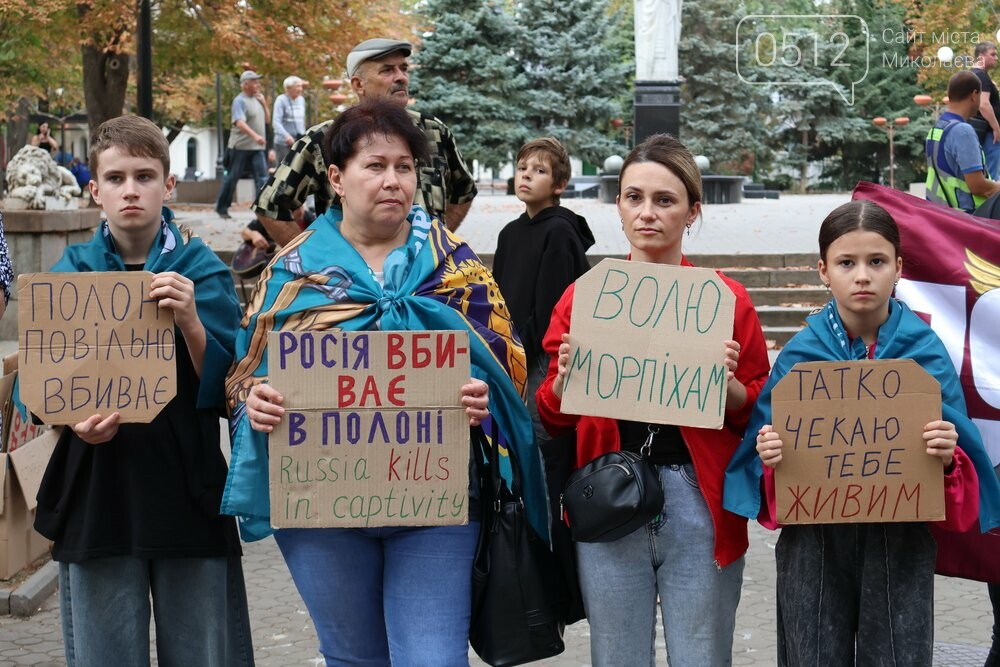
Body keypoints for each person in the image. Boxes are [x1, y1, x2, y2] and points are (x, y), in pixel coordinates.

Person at [221, 98, 547, 665]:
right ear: (336, 178)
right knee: (353, 658)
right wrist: (258, 402)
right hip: (320, 510)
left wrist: (482, 398)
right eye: (375, 166)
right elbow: (245, 375)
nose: (393, 180)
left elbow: (506, 363)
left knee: (433, 658)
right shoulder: (293, 270)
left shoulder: (456, 265)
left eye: (404, 167)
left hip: (437, 505)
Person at [724, 199, 1000, 665]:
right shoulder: (800, 355)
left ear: (898, 268)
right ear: (823, 271)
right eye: (846, 263)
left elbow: (961, 465)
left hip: (900, 542)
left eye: (877, 261)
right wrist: (770, 456)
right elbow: (758, 465)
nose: (862, 276)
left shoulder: (924, 351)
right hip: (814, 545)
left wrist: (947, 454)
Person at [535, 133, 771, 666]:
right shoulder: (585, 296)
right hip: (609, 494)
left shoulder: (726, 299)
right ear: (618, 205)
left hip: (699, 498)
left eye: (665, 200)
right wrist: (565, 381)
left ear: (692, 211)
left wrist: (730, 387)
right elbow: (551, 415)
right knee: (616, 656)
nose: (647, 213)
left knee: (702, 656)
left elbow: (758, 409)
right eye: (634, 197)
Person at [32, 115, 253, 667]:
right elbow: (37, 392)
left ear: (168, 186)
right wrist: (71, 419)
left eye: (144, 176)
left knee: (203, 651)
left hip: (188, 489)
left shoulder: (201, 269)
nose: (130, 189)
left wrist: (192, 322)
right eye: (115, 178)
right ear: (96, 190)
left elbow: (234, 388)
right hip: (98, 493)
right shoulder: (70, 273)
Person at [252, 38, 477, 246]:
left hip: (428, 274)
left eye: (403, 68)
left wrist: (437, 244)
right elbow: (270, 205)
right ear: (359, 85)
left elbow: (464, 191)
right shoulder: (324, 139)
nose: (401, 77)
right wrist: (314, 261)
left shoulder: (434, 132)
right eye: (387, 70)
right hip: (351, 275)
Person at [925, 70, 1000, 213]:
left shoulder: (937, 129)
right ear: (974, 95)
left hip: (940, 214)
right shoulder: (963, 131)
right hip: (967, 216)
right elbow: (978, 186)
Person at [216, 70, 270, 220]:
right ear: (245, 84)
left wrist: (264, 104)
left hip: (257, 148)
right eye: (254, 82)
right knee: (232, 178)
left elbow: (267, 120)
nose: (257, 84)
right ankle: (221, 208)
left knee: (262, 178)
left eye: (258, 81)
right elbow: (239, 122)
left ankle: (262, 211)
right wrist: (255, 136)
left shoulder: (258, 99)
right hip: (240, 147)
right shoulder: (239, 101)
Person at [972, 42, 1000, 180]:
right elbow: (983, 104)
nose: (996, 58)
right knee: (992, 174)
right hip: (989, 133)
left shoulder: (975, 74)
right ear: (981, 56)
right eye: (992, 54)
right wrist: (996, 128)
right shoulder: (980, 75)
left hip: (983, 131)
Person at [272, 75, 306, 164]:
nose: (301, 89)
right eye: (298, 86)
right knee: (283, 168)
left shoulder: (301, 100)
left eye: (301, 86)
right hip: (284, 143)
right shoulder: (281, 100)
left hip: (298, 142)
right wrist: (286, 136)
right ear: (288, 88)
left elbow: (302, 121)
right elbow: (276, 122)